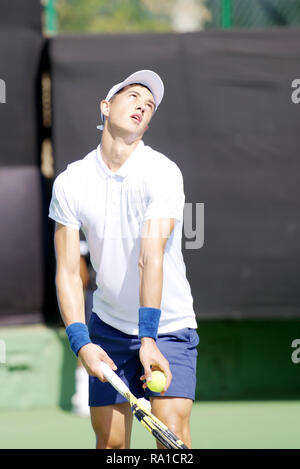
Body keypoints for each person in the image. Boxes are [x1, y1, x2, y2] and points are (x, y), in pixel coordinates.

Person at [49, 70, 199, 449]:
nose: (142, 106)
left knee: (173, 439)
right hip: (109, 327)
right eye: (133, 96)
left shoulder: (162, 173)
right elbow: (67, 272)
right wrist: (81, 342)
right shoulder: (70, 182)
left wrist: (149, 337)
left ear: (147, 124)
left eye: (149, 106)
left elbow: (150, 257)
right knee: (111, 445)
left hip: (169, 326)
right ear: (106, 106)